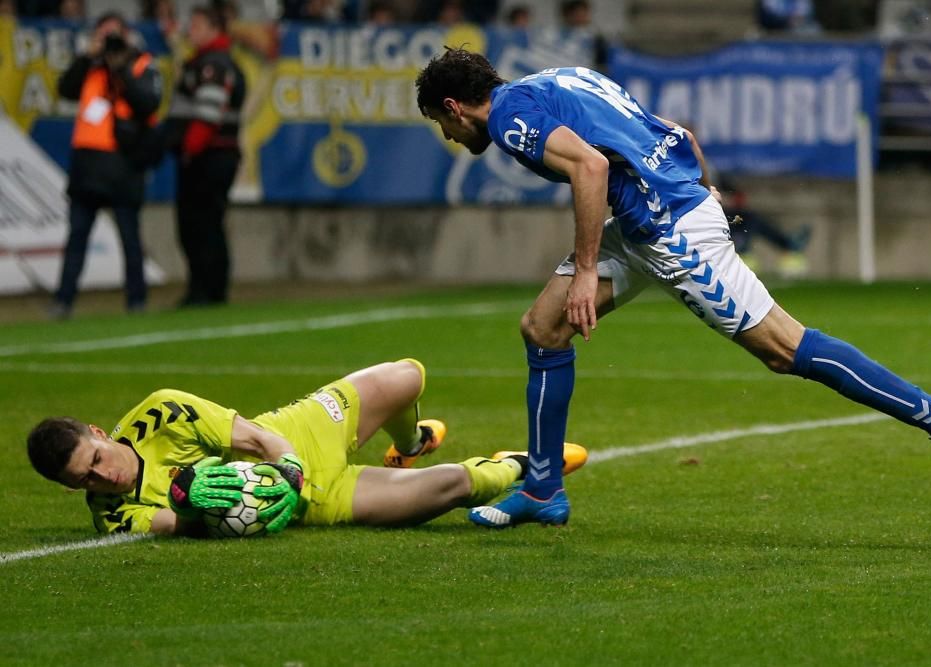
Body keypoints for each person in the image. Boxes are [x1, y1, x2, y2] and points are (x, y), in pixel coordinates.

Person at [414, 48, 931, 528]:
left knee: (784, 348)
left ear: (454, 107)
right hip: (653, 217)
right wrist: (705, 188)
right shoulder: (558, 79)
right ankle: (543, 488)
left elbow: (590, 169)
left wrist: (587, 269)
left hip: (669, 231)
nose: (449, 136)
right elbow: (676, 133)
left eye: (441, 126)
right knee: (544, 328)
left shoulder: (511, 121)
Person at [25, 358, 589, 536]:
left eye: (95, 462)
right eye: (84, 482)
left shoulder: (160, 411)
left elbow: (254, 436)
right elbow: (183, 528)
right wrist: (195, 502)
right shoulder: (114, 516)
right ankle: (515, 465)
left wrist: (287, 461)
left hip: (298, 433)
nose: (102, 480)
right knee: (453, 489)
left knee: (408, 376)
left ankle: (411, 441)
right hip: (314, 501)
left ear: (99, 433)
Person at [51, 11, 162, 319]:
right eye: (104, 35)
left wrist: (122, 68)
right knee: (77, 237)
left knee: (130, 238)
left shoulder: (141, 65)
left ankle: (136, 301)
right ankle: (63, 300)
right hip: (87, 166)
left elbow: (148, 103)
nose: (110, 42)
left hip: (123, 166)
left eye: (115, 35)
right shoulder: (91, 67)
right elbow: (65, 89)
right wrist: (89, 56)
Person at [168, 4, 245, 307]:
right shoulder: (211, 62)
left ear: (215, 29)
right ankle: (211, 288)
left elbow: (207, 115)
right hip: (216, 155)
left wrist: (188, 150)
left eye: (198, 26)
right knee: (209, 223)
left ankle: (204, 290)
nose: (191, 31)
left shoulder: (213, 65)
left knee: (198, 224)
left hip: (209, 156)